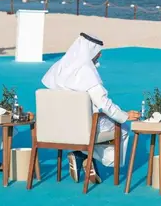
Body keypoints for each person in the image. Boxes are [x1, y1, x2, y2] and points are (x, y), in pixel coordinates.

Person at [41, 33, 140, 183]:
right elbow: (103, 103)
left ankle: (82, 154)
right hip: (83, 128)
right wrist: (124, 115)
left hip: (56, 127)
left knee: (98, 124)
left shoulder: (58, 67)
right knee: (123, 129)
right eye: (98, 51)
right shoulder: (86, 71)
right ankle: (85, 155)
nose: (100, 54)